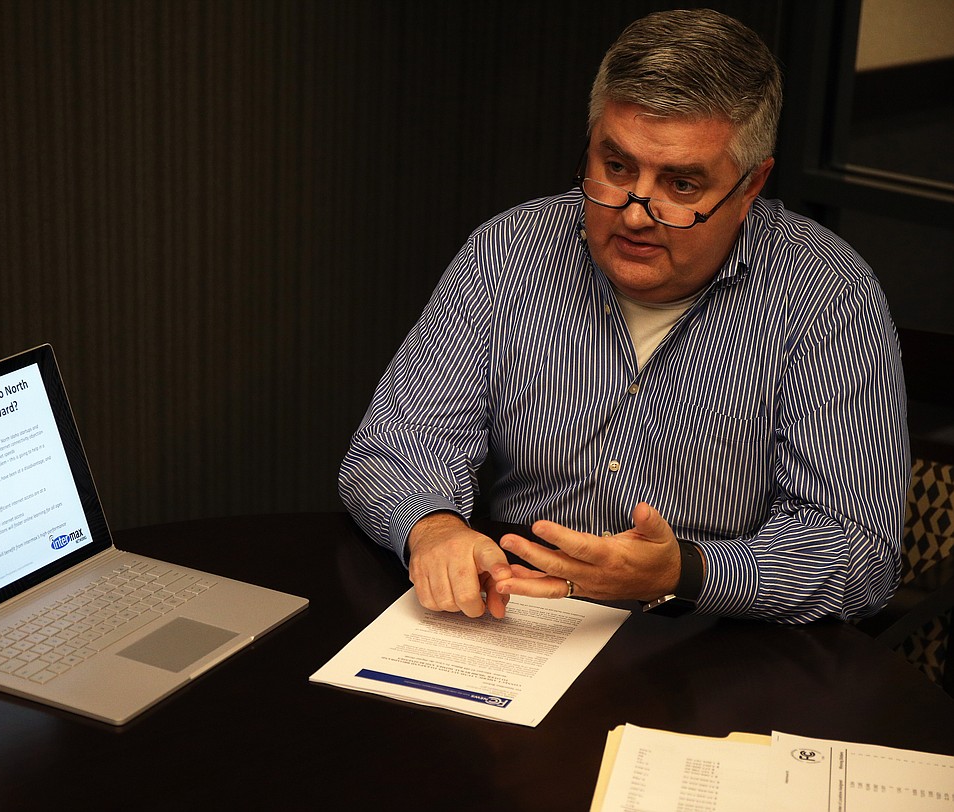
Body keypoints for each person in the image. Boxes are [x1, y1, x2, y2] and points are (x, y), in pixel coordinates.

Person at [337, 8, 909, 624]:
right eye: (616, 168)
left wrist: (682, 572)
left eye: (682, 186)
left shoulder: (825, 294)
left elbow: (861, 555)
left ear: (751, 187)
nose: (636, 212)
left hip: (704, 640)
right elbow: (391, 449)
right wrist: (434, 528)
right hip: (515, 611)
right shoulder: (512, 251)